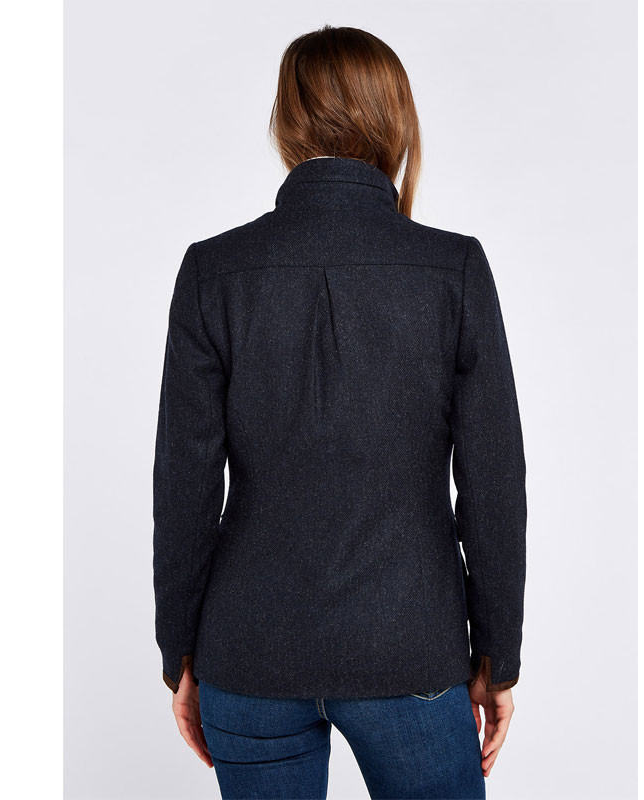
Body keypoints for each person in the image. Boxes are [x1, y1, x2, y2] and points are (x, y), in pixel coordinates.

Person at [153, 25, 527, 800]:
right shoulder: (452, 269)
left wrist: (180, 652)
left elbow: (184, 484)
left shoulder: (214, 271)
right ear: (395, 119)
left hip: (249, 652)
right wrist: (498, 656)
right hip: (411, 647)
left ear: (286, 122)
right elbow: (493, 483)